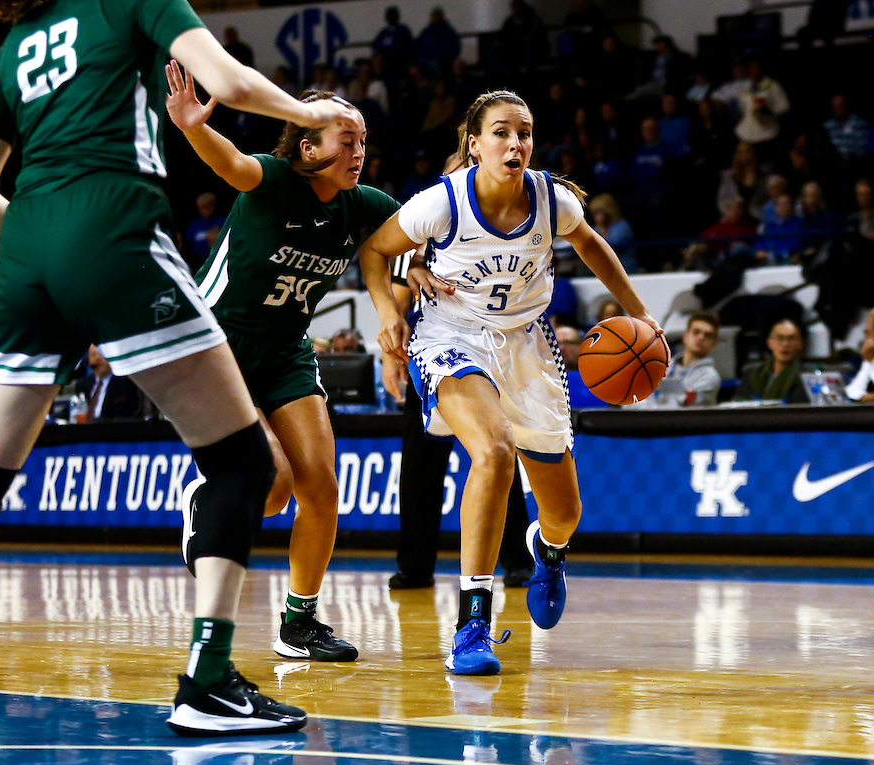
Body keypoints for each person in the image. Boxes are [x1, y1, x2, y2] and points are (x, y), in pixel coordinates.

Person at [0, 0, 361, 738]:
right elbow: (231, 81)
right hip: (111, 224)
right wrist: (306, 116)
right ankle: (207, 683)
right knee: (243, 464)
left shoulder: (10, 49)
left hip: (23, 253)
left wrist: (45, 237)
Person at [361, 90, 660, 675]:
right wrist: (389, 314)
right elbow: (376, 250)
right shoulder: (441, 203)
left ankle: (547, 552)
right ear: (474, 144)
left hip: (527, 343)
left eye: (523, 132)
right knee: (492, 452)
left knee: (565, 513)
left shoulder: (550, 200)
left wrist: (642, 315)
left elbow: (593, 245)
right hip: (453, 336)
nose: (515, 142)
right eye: (500, 132)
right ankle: (473, 620)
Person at [166, 65, 396, 664]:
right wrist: (194, 127)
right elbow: (231, 164)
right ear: (307, 145)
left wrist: (415, 267)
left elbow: (410, 233)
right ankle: (202, 499)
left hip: (287, 348)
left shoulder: (361, 204)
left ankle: (299, 625)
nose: (358, 151)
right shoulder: (271, 179)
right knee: (272, 487)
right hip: (217, 346)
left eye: (363, 141)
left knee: (322, 486)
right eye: (346, 139)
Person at [384, 252, 535, 589]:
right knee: (419, 467)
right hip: (431, 350)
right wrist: (390, 355)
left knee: (495, 455)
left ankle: (517, 560)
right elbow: (397, 290)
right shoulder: (424, 219)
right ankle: (415, 566)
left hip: (488, 348)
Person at [733, 318, 810, 404]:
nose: (785, 344)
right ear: (769, 342)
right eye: (780, 338)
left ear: (800, 344)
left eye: (791, 339)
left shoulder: (806, 376)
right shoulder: (752, 373)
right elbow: (739, 402)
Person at [662, 312, 722, 407]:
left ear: (713, 345)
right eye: (696, 332)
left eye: (708, 335)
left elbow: (684, 405)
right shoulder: (666, 367)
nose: (701, 338)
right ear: (685, 337)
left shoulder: (709, 377)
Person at [75, 345, 141, 420]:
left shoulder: (126, 383)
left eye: (101, 355)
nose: (97, 359)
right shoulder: (82, 384)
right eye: (93, 355)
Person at [588, 194, 637, 274]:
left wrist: (602, 230)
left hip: (624, 269)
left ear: (608, 212)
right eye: (594, 214)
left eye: (598, 213)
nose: (596, 217)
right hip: (601, 271)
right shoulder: (595, 229)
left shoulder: (622, 226)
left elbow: (612, 246)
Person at [184, 192, 225, 265]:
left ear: (213, 206)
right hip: (198, 260)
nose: (205, 210)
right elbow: (188, 244)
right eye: (202, 207)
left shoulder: (223, 222)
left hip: (219, 257)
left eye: (207, 206)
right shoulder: (194, 225)